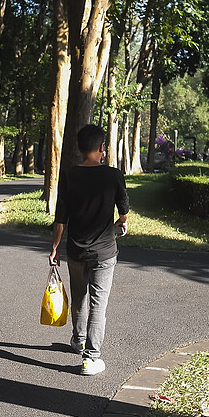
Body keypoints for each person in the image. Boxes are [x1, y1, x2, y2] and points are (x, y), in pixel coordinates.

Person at [49, 124, 130, 376]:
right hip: (105, 252)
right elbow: (124, 211)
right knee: (98, 304)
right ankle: (91, 358)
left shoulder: (69, 175)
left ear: (80, 148)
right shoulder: (114, 175)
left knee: (79, 298)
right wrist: (120, 223)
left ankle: (78, 339)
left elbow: (60, 218)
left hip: (75, 250)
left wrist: (54, 248)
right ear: (101, 148)